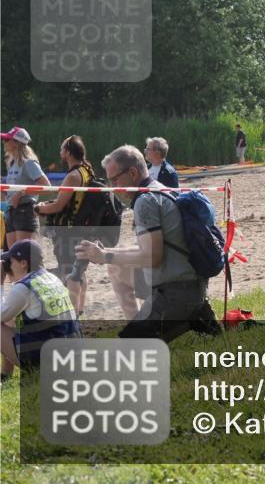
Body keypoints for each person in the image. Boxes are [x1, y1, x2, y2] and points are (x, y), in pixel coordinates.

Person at [75, 145, 221, 341]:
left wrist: (104, 256)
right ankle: (187, 317)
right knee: (116, 269)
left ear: (133, 173)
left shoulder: (145, 201)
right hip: (194, 286)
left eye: (114, 179)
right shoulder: (160, 189)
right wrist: (107, 253)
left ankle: (180, 318)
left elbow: (152, 257)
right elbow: (151, 249)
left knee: (124, 352)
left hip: (175, 294)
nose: (113, 186)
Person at [34, 136, 98, 315]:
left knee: (69, 270)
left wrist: (38, 208)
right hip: (84, 227)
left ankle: (71, 312)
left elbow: (58, 205)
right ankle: (80, 310)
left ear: (68, 153)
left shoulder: (72, 176)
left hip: (69, 230)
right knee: (79, 269)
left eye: (62, 149)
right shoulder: (88, 170)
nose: (60, 152)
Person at [1, 239, 81, 380]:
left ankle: (13, 374)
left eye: (10, 262)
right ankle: (5, 375)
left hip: (48, 362)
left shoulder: (24, 287)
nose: (8, 266)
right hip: (72, 355)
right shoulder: (52, 278)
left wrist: (0, 285)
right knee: (11, 320)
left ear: (23, 263)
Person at [1, 127, 50, 247]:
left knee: (25, 258)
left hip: (25, 211)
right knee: (12, 259)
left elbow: (46, 186)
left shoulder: (29, 163)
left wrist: (21, 193)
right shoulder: (12, 163)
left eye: (7, 140)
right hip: (11, 212)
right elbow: (10, 193)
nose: (4, 142)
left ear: (17, 143)